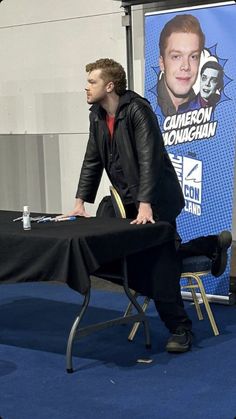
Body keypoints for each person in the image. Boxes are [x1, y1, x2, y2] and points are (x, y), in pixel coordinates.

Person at [64, 58, 231, 354]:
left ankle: (180, 329)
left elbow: (148, 160)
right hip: (131, 201)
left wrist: (146, 205)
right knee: (143, 258)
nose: (86, 86)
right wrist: (79, 203)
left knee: (160, 263)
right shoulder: (97, 116)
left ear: (110, 86)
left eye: (92, 81)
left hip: (158, 200)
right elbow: (92, 160)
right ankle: (209, 246)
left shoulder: (137, 111)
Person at [157, 14, 205, 116]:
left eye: (193, 57)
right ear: (162, 63)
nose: (186, 66)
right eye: (176, 57)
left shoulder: (204, 110)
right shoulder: (147, 109)